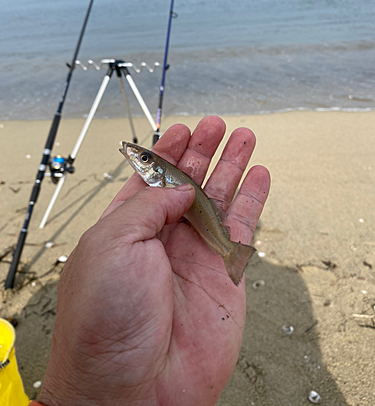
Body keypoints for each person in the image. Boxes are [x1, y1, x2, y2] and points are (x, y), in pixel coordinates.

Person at [33, 116, 270, 406]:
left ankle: (229, 251)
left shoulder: (167, 182)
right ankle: (229, 250)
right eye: (143, 157)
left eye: (143, 158)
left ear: (159, 171)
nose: (137, 158)